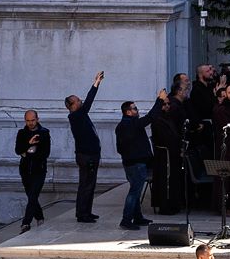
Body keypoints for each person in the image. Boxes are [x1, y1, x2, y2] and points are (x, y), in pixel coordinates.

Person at [114, 93, 161, 230]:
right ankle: (126, 219)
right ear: (128, 112)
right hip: (136, 164)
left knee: (135, 190)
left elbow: (120, 148)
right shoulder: (132, 123)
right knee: (134, 192)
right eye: (135, 109)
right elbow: (151, 117)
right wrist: (159, 100)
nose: (137, 111)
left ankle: (138, 217)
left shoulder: (121, 126)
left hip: (129, 163)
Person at [66, 69, 106, 222]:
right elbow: (89, 101)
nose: (81, 101)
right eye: (78, 100)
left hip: (91, 154)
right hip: (86, 156)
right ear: (72, 105)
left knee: (90, 184)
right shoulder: (76, 116)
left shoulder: (80, 115)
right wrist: (95, 84)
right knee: (86, 185)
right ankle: (82, 214)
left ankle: (86, 212)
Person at [15, 107, 52, 233]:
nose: (30, 123)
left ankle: (26, 223)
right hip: (25, 170)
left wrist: (27, 152)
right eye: (28, 120)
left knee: (33, 196)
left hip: (39, 170)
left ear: (37, 119)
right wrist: (29, 144)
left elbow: (44, 153)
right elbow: (18, 150)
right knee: (31, 196)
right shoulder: (21, 133)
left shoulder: (44, 133)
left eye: (32, 120)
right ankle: (40, 217)